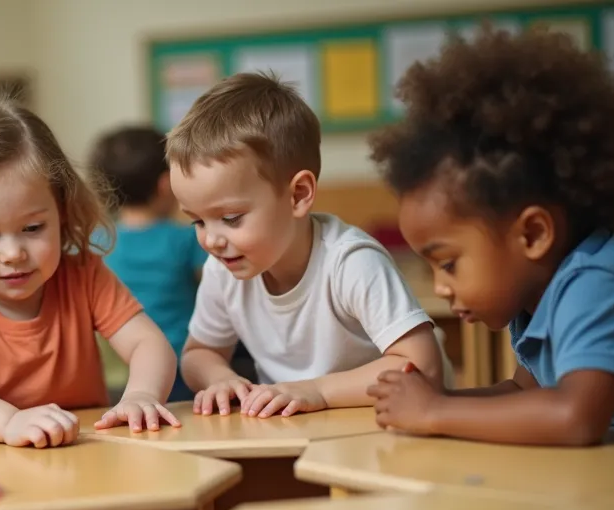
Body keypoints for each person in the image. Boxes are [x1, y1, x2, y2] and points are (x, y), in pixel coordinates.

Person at [365, 28, 614, 445]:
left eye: (447, 263)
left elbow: (574, 418)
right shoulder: (538, 293)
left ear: (533, 234)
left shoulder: (598, 284)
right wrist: (441, 401)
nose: (440, 287)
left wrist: (436, 411)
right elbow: (524, 394)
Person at [0, 101, 181, 447]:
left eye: (32, 227)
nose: (13, 254)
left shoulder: (84, 274)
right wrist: (8, 422)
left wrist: (142, 394)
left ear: (62, 210)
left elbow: (148, 343)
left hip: (86, 453)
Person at [170, 72, 444, 418]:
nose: (210, 240)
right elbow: (198, 354)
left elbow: (421, 367)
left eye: (231, 218)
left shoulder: (351, 261)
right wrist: (220, 378)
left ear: (298, 195)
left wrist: (318, 390)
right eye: (197, 221)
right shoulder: (221, 270)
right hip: (304, 430)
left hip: (391, 426)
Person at [90, 125, 206, 402]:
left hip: (118, 369)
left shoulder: (95, 242)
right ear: (166, 184)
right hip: (180, 364)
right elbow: (217, 288)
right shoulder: (186, 239)